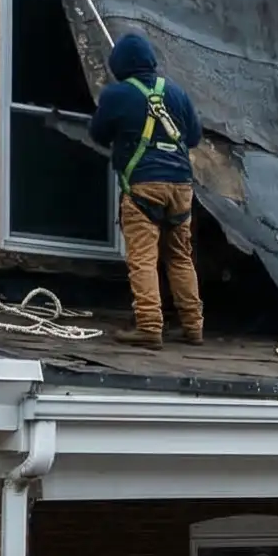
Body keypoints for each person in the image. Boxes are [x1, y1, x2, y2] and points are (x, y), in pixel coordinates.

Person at [86, 33, 205, 348]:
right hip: (181, 187)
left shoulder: (117, 94)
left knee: (143, 257)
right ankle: (193, 326)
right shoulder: (177, 94)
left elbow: (98, 133)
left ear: (120, 66)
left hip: (144, 185)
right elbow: (192, 137)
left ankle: (150, 326)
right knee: (180, 257)